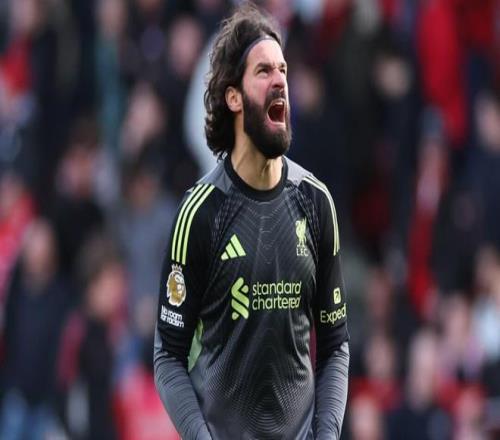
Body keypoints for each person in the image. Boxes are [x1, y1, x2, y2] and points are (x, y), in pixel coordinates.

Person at [154, 3, 349, 439]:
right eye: (263, 71)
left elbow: (335, 345)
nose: (280, 80)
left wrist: (327, 434)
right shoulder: (200, 213)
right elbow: (168, 355)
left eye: (283, 70)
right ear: (234, 97)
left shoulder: (316, 203)